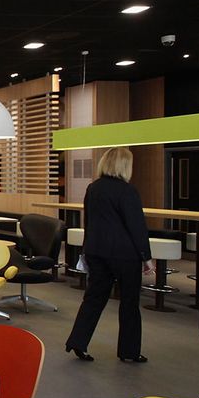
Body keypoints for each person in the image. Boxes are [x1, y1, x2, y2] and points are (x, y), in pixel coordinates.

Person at [65, 147, 153, 363]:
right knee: (129, 303)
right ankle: (129, 351)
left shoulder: (93, 188)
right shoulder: (127, 191)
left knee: (93, 299)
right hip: (124, 255)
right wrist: (146, 256)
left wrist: (86, 250)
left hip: (96, 252)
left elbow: (90, 222)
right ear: (125, 165)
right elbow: (136, 227)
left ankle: (78, 342)